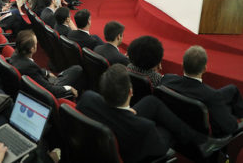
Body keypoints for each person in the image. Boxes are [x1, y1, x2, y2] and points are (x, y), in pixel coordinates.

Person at [77, 64, 227, 163]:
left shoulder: (87, 98)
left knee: (151, 102)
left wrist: (123, 110)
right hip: (130, 145)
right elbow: (160, 151)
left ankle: (200, 141)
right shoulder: (145, 127)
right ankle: (201, 143)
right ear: (130, 92)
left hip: (115, 123)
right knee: (168, 128)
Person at [161, 46, 243, 137]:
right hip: (203, 132)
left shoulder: (167, 79)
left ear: (182, 65)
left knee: (232, 89)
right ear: (204, 69)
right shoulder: (211, 96)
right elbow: (231, 126)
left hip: (181, 115)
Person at [9, 29, 81, 98]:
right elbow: (51, 90)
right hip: (48, 90)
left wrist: (46, 73)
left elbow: (35, 71)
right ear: (32, 49)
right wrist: (69, 88)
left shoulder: (15, 55)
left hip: (41, 81)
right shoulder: (29, 67)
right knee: (77, 69)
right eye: (36, 43)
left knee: (72, 70)